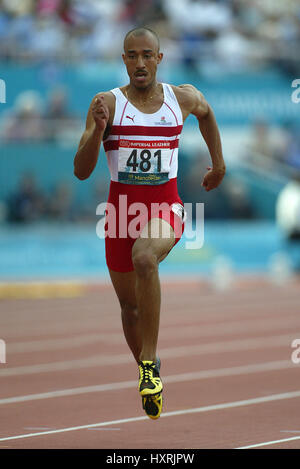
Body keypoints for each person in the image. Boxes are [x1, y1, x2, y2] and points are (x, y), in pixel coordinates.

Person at [74, 27, 225, 420]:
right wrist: (99, 132)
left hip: (164, 208)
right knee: (129, 307)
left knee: (145, 258)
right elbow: (80, 170)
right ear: (123, 60)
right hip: (120, 215)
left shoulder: (182, 98)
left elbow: (207, 114)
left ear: (159, 58)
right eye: (131, 55)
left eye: (146, 55)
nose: (139, 63)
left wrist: (219, 164)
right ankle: (148, 369)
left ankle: (149, 357)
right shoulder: (106, 103)